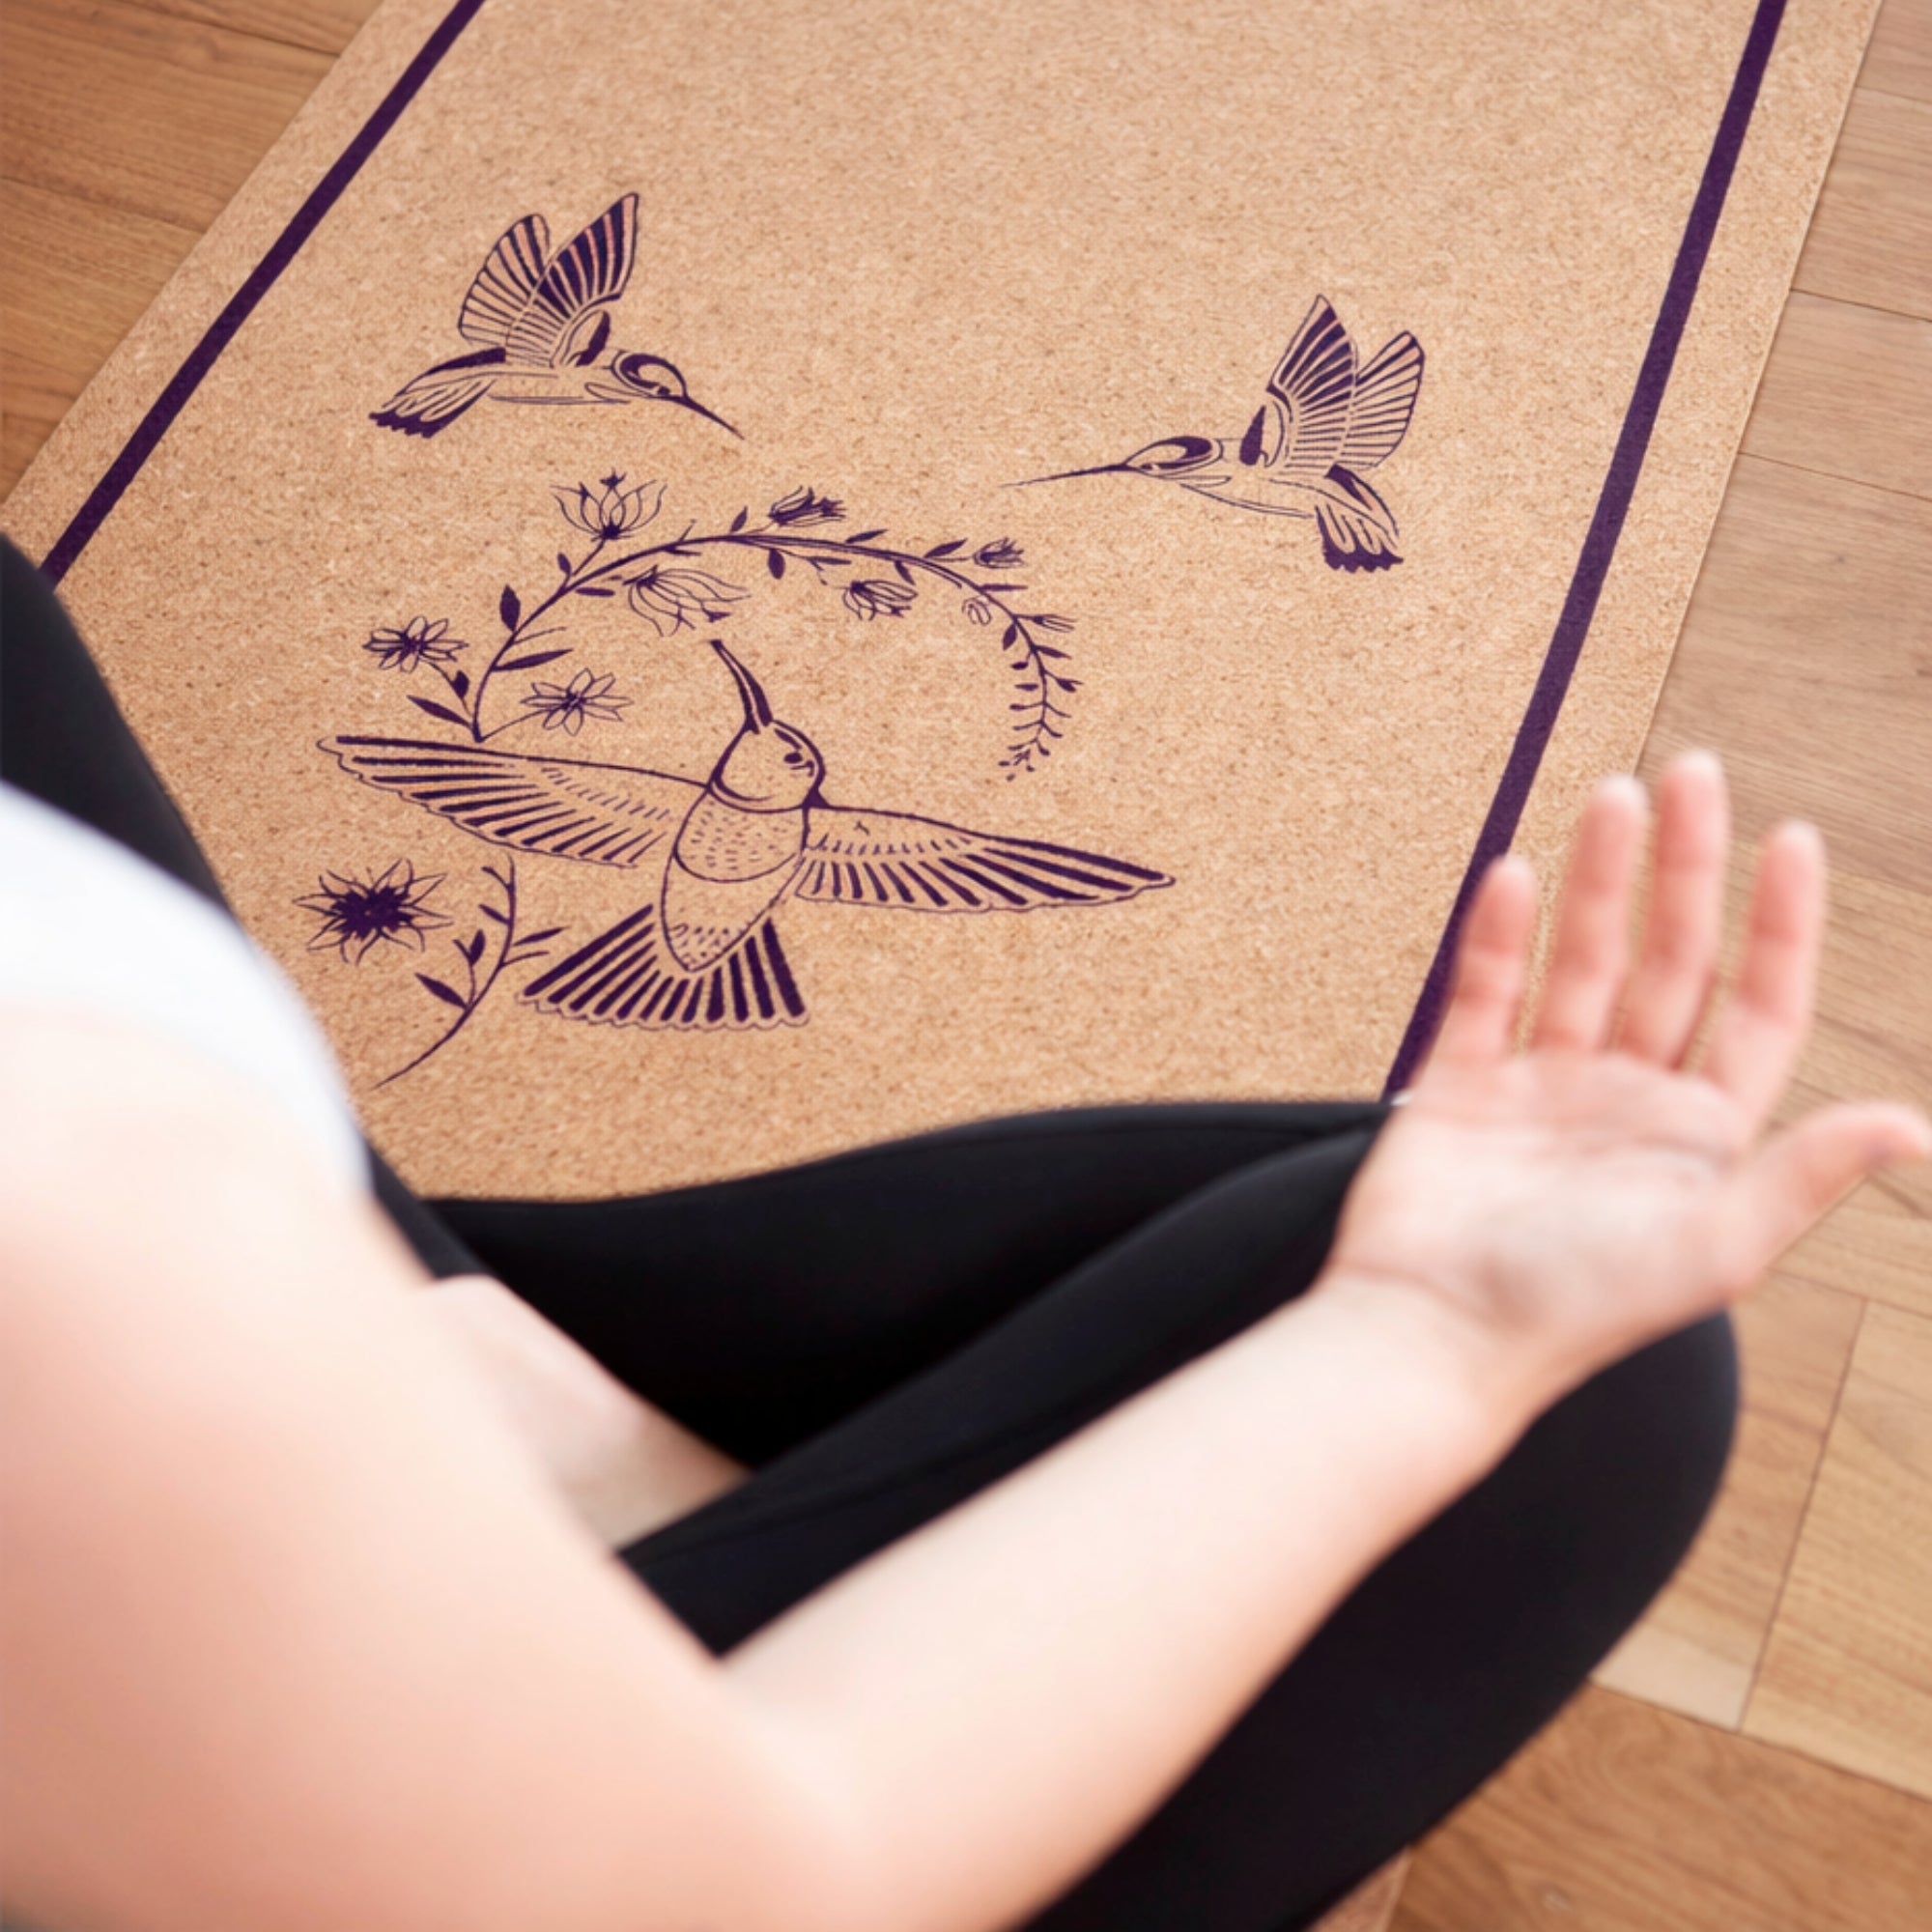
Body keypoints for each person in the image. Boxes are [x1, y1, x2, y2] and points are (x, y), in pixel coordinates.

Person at [1, 536, 1923, 1932]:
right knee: (1579, 1391)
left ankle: (496, 1385)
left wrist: (447, 1345)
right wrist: (1426, 1337)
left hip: (194, 1321)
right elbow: (744, 1886)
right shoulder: (79, 1252)